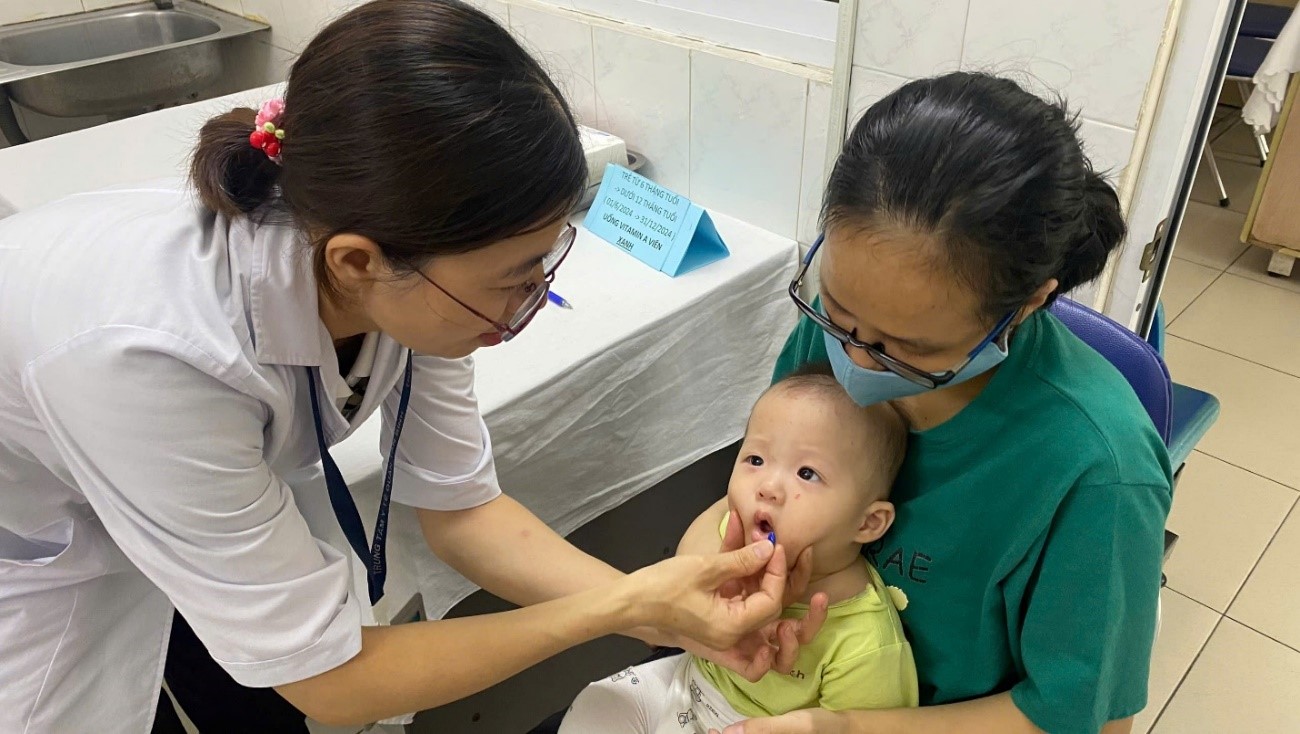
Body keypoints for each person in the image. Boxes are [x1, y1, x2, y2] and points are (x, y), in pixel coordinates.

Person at [0, 2, 817, 732]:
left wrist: (661, 614)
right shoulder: (154, 358)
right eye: (511, 280)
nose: (530, 302)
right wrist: (622, 606)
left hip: (151, 477)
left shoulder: (399, 269)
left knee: (245, 673)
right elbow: (331, 684)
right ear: (358, 262)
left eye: (542, 265)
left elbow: (463, 513)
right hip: (34, 531)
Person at [694, 72, 1173, 734]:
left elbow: (1079, 719)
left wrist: (844, 729)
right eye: (838, 313)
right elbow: (738, 509)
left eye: (907, 350)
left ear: (1027, 304)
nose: (857, 361)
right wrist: (703, 594)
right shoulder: (834, 335)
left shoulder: (1096, 469)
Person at [559, 371, 918, 733]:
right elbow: (690, 557)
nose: (768, 486)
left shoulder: (866, 643)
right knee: (596, 706)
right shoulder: (739, 542)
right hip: (686, 683)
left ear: (868, 523)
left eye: (807, 473)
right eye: (756, 460)